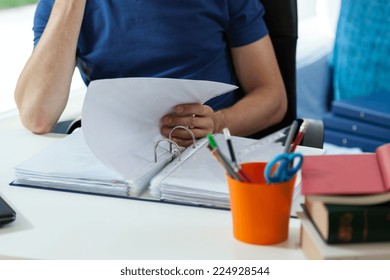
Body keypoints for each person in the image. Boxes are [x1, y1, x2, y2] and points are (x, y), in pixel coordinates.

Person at [15, 0, 287, 147]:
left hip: (203, 151)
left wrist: (217, 123)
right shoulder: (61, 5)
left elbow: (272, 97)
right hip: (113, 154)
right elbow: (38, 117)